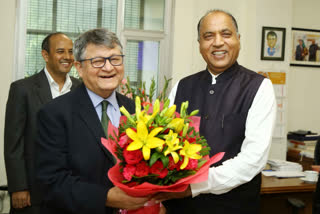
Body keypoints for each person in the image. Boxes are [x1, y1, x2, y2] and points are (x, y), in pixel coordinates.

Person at [154, 9, 276, 214]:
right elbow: (164, 145)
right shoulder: (182, 86)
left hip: (233, 207)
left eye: (226, 34)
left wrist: (194, 186)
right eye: (208, 36)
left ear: (238, 39)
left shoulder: (259, 87)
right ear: (200, 44)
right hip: (179, 207)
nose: (218, 42)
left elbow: (252, 160)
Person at [35, 28, 149, 214]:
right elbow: (52, 182)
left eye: (115, 59)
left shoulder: (137, 111)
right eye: (97, 61)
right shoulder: (54, 114)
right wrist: (107, 197)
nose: (108, 67)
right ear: (79, 68)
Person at [4, 32, 80, 214]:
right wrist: (18, 186)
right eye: (60, 51)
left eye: (70, 52)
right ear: (45, 55)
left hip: (73, 191)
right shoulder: (22, 89)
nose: (67, 57)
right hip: (34, 191)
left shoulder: (82, 89)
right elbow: (13, 143)